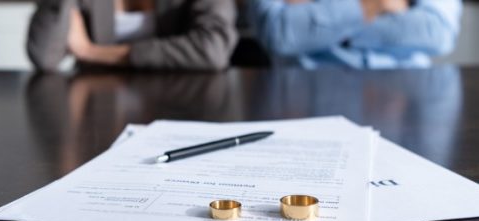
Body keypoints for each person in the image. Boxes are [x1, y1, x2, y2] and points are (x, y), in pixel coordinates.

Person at [27, 0, 238, 71]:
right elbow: (44, 56)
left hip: (180, 103)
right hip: (96, 108)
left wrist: (91, 52)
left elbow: (213, 49)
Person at [248, 0, 462, 69]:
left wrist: (330, 19)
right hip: (308, 90)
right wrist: (374, 5)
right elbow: (278, 32)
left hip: (407, 96)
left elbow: (438, 32)